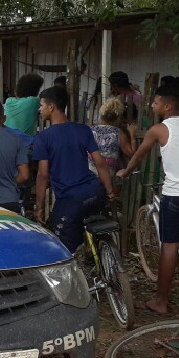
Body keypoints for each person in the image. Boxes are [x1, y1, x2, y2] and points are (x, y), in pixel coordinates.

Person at [118, 83, 179, 314]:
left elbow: (138, 157)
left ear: (168, 106)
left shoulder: (158, 129)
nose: (152, 105)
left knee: (169, 244)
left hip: (178, 195)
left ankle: (160, 301)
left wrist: (125, 172)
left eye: (156, 102)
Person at [32, 87, 115, 253]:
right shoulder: (83, 130)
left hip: (71, 200)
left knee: (61, 246)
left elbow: (43, 175)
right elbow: (99, 163)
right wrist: (110, 191)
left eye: (41, 105)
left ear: (51, 107)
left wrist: (39, 206)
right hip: (95, 192)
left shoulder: (43, 138)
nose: (39, 110)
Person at [90, 98, 136, 173]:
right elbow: (132, 154)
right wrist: (132, 135)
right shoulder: (117, 132)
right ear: (118, 118)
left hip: (90, 170)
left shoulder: (91, 130)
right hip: (108, 172)